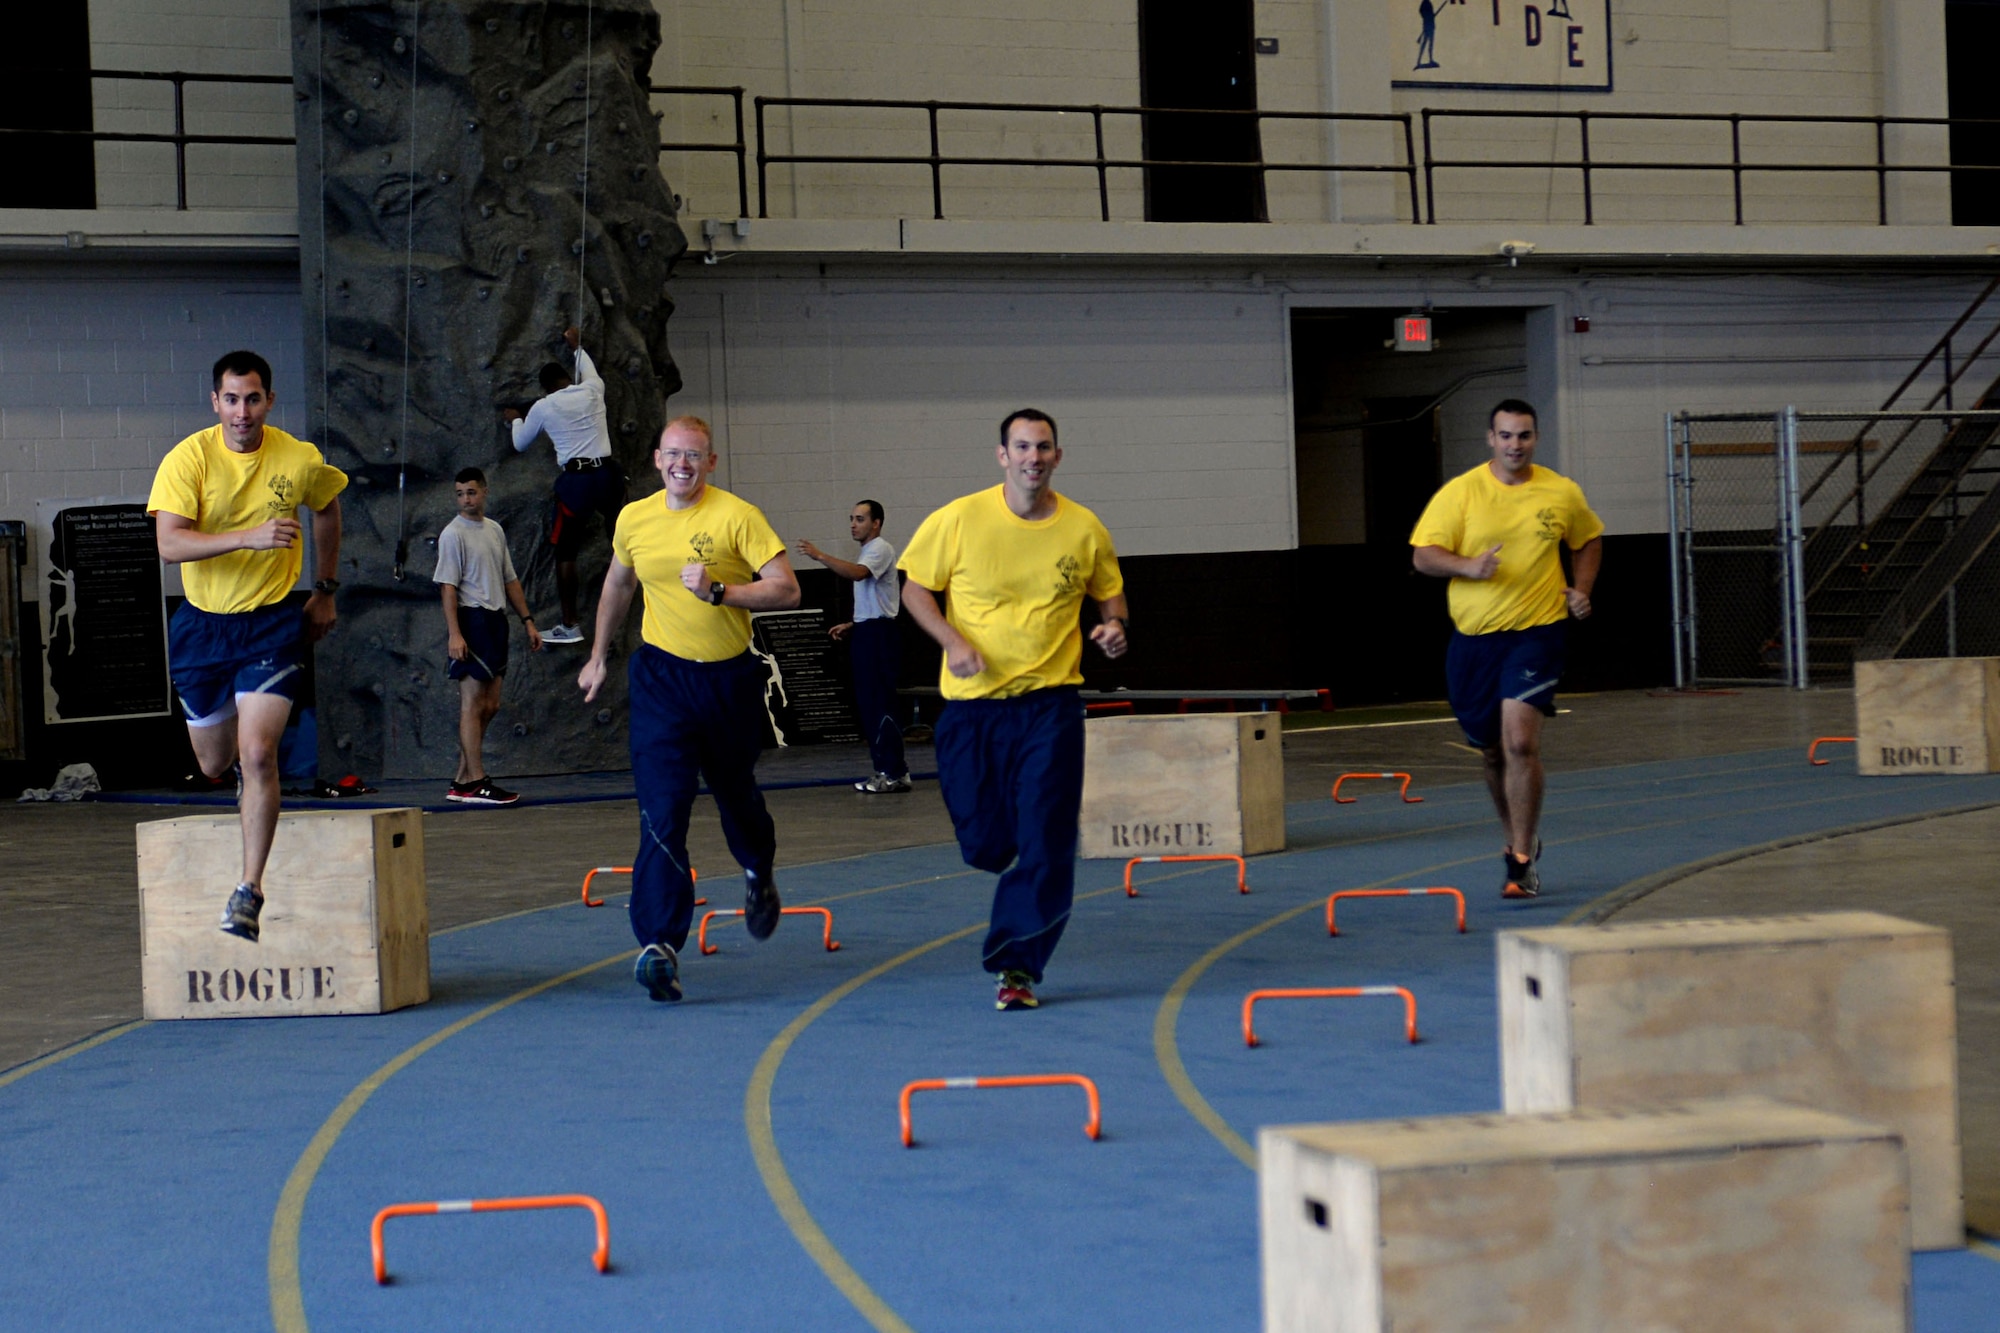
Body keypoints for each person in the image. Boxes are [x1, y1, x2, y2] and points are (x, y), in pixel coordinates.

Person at [899, 408, 1128, 1012]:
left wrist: (1114, 626)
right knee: (985, 845)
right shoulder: (959, 518)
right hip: (972, 711)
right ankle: (995, 856)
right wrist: (953, 642)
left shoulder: (1083, 527)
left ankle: (1017, 965)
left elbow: (1109, 592)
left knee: (1047, 841)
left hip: (1049, 708)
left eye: (1044, 447)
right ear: (1002, 455)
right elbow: (915, 590)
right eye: (1022, 447)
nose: (1033, 457)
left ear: (1058, 456)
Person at [579, 416, 801, 1002]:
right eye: (674, 454)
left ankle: (758, 871)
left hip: (727, 681)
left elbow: (787, 588)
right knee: (663, 810)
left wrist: (722, 592)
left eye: (694, 455)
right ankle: (660, 945)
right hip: (661, 682)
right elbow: (619, 585)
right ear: (657, 459)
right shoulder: (635, 518)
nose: (683, 464)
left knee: (736, 797)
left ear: (711, 462)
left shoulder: (737, 516)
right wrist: (598, 655)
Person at [148, 350, 348, 942]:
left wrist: (326, 590)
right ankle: (242, 758)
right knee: (215, 762)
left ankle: (248, 890)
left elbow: (329, 508)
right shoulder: (188, 459)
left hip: (270, 624)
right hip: (203, 629)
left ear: (269, 401)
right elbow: (170, 544)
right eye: (231, 400)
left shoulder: (297, 458)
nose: (242, 412)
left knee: (258, 754)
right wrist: (251, 537)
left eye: (253, 399)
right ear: (216, 402)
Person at [1410, 398, 1603, 900]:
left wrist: (1582, 590)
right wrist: (1467, 567)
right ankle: (1519, 835)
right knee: (1492, 751)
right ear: (1490, 439)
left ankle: (1519, 860)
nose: (1515, 444)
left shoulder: (1561, 492)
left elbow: (1588, 540)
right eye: (1506, 436)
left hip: (1537, 632)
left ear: (1536, 438)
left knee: (1520, 742)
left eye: (1524, 435)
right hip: (1474, 640)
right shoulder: (1461, 493)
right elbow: (1424, 556)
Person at [503, 326, 625, 645]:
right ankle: (638, 599)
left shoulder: (544, 407)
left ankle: (570, 624)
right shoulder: (594, 388)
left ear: (545, 388)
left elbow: (519, 443)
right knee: (623, 543)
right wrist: (576, 346)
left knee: (566, 552)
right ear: (568, 380)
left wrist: (516, 418)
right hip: (608, 475)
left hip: (578, 482)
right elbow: (588, 368)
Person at [435, 466, 543, 805]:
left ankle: (461, 778)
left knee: (491, 704)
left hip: (497, 620)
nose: (465, 499)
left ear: (484, 492)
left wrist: (527, 620)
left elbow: (510, 578)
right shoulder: (453, 534)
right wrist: (455, 634)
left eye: (471, 492)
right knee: (472, 702)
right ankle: (476, 781)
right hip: (472, 619)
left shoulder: (494, 530)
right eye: (459, 493)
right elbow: (448, 587)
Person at [796, 500, 910, 793]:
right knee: (869, 704)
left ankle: (894, 771)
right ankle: (884, 769)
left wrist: (820, 555)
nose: (853, 524)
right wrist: (854, 624)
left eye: (859, 519)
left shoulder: (880, 549)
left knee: (880, 702)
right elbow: (877, 600)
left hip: (880, 636)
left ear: (876, 523)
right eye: (851, 518)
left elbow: (859, 574)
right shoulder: (867, 552)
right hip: (868, 631)